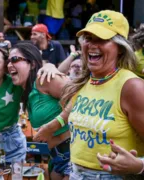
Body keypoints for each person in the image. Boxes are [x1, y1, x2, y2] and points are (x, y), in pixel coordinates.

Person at [33, 10, 144, 179]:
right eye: (88, 38)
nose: (92, 44)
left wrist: (139, 166)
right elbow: (73, 113)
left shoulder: (131, 87)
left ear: (120, 48)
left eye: (102, 39)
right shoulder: (85, 82)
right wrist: (53, 126)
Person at [7, 42, 71, 179]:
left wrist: (56, 125)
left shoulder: (45, 79)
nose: (9, 65)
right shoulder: (27, 90)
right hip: (56, 158)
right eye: (8, 61)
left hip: (73, 154)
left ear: (33, 64)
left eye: (14, 59)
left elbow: (82, 100)